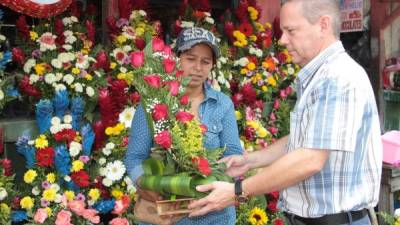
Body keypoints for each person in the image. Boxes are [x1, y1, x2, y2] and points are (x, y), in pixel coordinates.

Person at [188, 1, 382, 225]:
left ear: (323, 25)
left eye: (291, 31)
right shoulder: (321, 76)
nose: (282, 40)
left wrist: (236, 191)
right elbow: (306, 138)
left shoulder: (336, 77)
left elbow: (310, 159)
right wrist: (251, 160)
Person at [124, 27, 243, 225]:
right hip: (164, 214)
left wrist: (223, 182)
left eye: (205, 61)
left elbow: (232, 153)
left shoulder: (222, 104)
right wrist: (146, 185)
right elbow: (135, 156)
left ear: (212, 65)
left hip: (213, 214)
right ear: (177, 58)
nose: (198, 67)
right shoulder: (154, 100)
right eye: (190, 58)